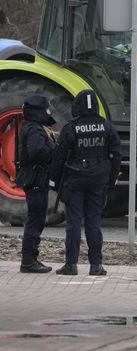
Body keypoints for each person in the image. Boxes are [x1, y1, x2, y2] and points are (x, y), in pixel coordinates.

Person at [50, 90, 121, 276]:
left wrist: (55, 183)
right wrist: (110, 182)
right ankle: (96, 265)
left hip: (75, 179)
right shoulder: (107, 127)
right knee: (93, 223)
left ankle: (71, 265)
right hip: (99, 180)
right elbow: (116, 157)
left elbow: (58, 158)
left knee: (73, 223)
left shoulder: (71, 128)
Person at [16, 95, 57, 273]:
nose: (49, 112)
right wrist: (54, 147)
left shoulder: (34, 127)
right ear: (39, 111)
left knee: (37, 218)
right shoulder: (34, 129)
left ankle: (31, 258)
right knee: (35, 219)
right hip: (35, 179)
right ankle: (28, 260)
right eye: (47, 109)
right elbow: (38, 152)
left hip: (35, 179)